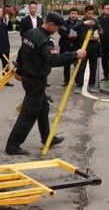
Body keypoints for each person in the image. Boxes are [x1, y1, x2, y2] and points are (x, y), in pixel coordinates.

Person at [5, 12, 87, 155]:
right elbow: (53, 59)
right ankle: (12, 146)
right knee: (29, 114)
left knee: (43, 108)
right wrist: (75, 54)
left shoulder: (31, 33)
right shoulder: (45, 41)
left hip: (29, 77)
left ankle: (47, 138)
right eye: (57, 28)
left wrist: (20, 69)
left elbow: (22, 52)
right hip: (35, 80)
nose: (57, 31)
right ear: (50, 24)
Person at [73, 5, 101, 93]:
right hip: (83, 48)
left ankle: (91, 85)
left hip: (93, 48)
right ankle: (79, 85)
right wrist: (84, 23)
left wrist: (98, 34)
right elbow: (74, 28)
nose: (90, 15)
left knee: (93, 68)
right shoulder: (81, 22)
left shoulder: (95, 21)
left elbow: (101, 30)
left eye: (92, 13)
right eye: (89, 13)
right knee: (81, 67)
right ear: (85, 13)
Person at [58, 8, 82, 89]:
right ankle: (66, 80)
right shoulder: (64, 23)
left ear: (77, 14)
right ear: (69, 14)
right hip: (66, 45)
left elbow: (82, 32)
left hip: (76, 46)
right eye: (72, 13)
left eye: (75, 13)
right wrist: (68, 35)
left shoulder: (80, 23)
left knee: (77, 64)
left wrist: (77, 36)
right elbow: (60, 31)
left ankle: (77, 80)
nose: (73, 15)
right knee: (66, 64)